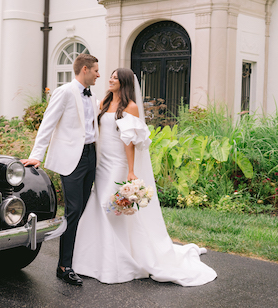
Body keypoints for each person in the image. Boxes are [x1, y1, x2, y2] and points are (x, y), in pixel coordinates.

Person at [72, 68, 217, 286]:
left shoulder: (130, 107)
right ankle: (91, 260)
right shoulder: (103, 103)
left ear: (124, 82)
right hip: (101, 164)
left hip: (118, 164)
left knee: (108, 206)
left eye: (114, 77)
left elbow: (130, 142)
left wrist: (130, 171)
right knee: (100, 206)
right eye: (110, 76)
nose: (110, 80)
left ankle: (117, 262)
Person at [21, 53, 100, 286]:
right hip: (71, 160)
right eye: (96, 70)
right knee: (73, 211)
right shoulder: (65, 91)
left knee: (82, 210)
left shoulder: (91, 93)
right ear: (84, 69)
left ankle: (76, 260)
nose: (98, 74)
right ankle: (65, 266)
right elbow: (48, 123)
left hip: (90, 156)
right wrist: (36, 156)